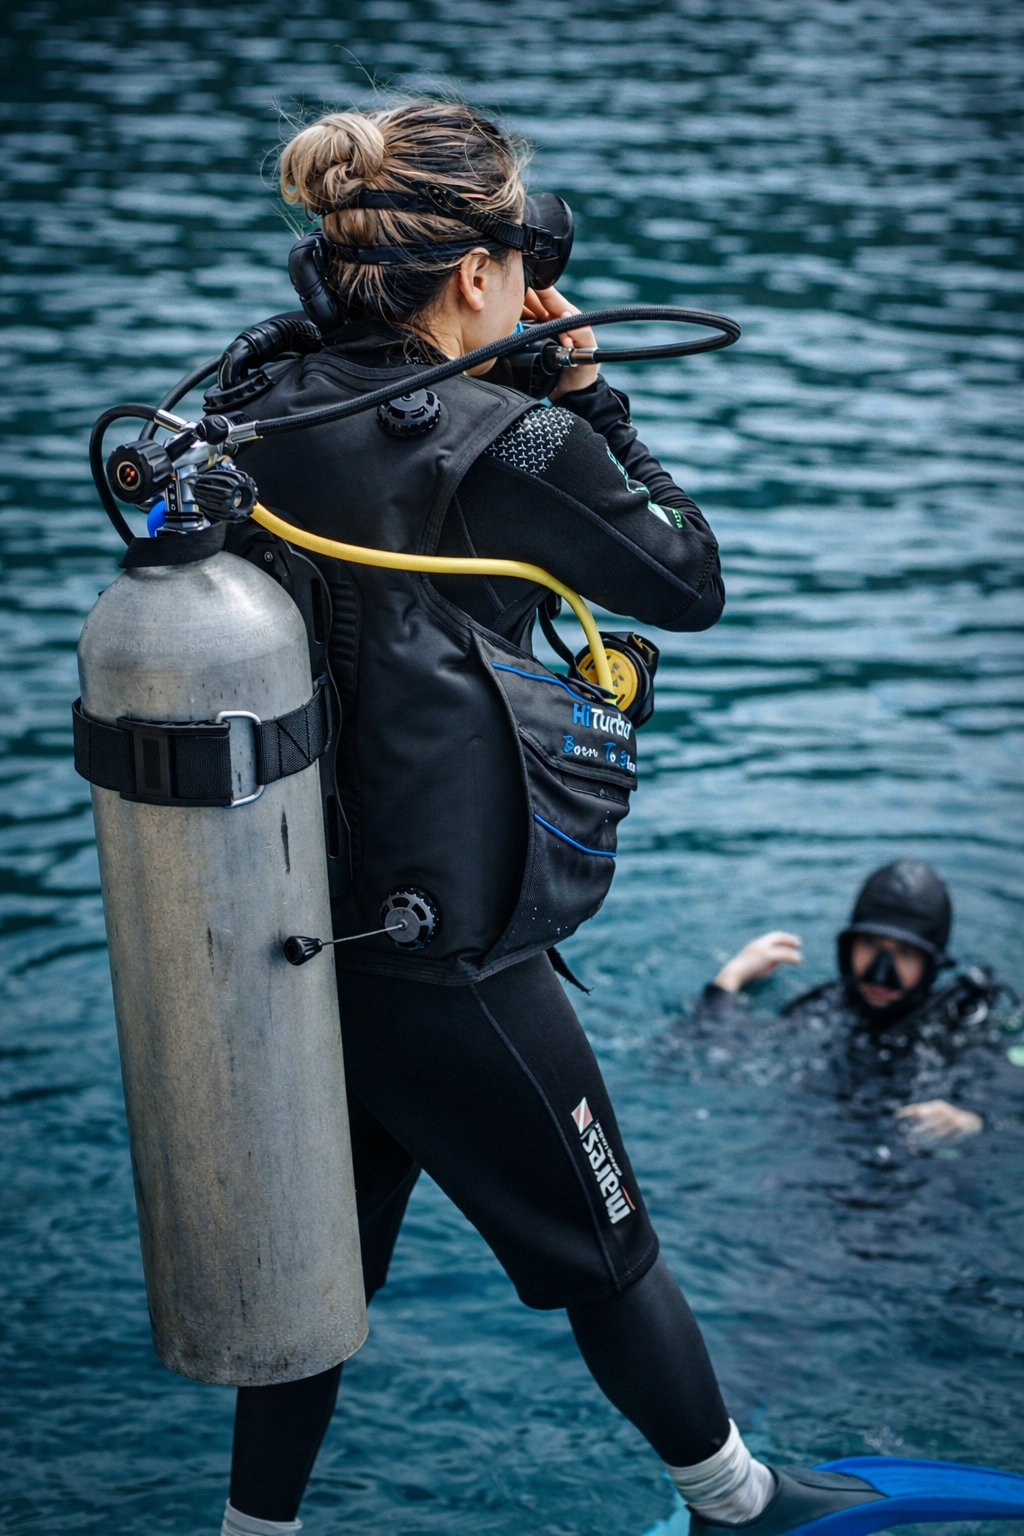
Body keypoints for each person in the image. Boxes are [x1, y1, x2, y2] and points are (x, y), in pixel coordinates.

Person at [211, 99, 965, 1536]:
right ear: (483, 271)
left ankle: (252, 1533)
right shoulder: (501, 436)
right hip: (450, 950)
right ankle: (742, 1506)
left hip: (286, 928)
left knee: (322, 1285)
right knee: (610, 1248)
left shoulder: (256, 407)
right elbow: (687, 577)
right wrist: (587, 395)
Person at [695, 858, 1017, 1146]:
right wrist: (730, 978)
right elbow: (706, 1054)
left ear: (931, 964)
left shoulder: (960, 1027)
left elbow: (1010, 1109)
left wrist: (971, 1122)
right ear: (847, 948)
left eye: (905, 953)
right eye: (869, 944)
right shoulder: (826, 1008)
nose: (880, 973)